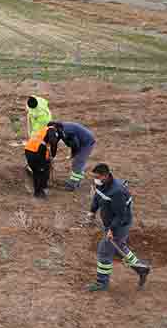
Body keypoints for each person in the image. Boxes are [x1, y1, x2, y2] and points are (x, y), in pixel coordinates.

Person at [87, 163, 150, 292]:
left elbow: (121, 215)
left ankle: (101, 283)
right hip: (110, 223)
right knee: (119, 247)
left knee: (104, 252)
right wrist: (92, 211)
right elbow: (97, 196)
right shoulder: (102, 185)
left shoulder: (117, 192)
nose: (95, 179)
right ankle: (141, 269)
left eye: (97, 177)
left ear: (105, 176)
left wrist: (111, 230)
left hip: (119, 225)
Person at [48, 121, 96, 191]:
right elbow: (54, 143)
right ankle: (77, 181)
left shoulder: (68, 131)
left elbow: (75, 145)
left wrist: (73, 154)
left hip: (86, 143)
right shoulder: (59, 129)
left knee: (77, 162)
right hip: (80, 141)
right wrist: (52, 156)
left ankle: (73, 184)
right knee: (77, 162)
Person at [24, 125, 58, 199]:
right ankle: (42, 190)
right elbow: (53, 142)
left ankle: (37, 192)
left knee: (36, 172)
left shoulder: (42, 130)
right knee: (42, 171)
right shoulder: (52, 129)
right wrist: (53, 154)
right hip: (36, 152)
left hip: (28, 150)